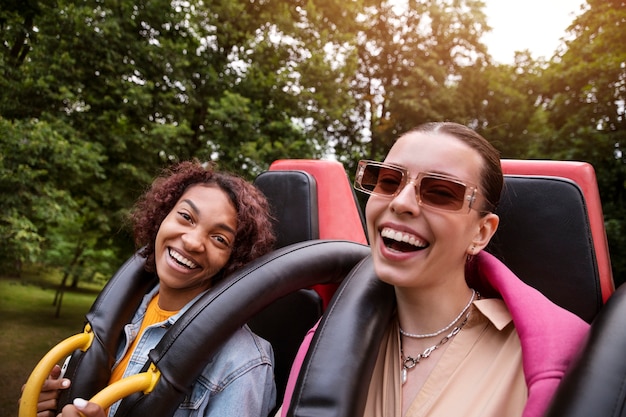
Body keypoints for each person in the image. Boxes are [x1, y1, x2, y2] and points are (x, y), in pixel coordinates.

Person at [279, 122, 590, 417]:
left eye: (441, 192)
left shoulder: (552, 361)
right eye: (388, 181)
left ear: (481, 233)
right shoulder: (328, 339)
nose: (402, 202)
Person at [27, 160, 277, 417]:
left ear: (234, 258)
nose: (192, 242)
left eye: (219, 238)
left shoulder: (243, 362)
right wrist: (50, 402)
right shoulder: (119, 311)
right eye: (186, 217)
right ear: (162, 217)